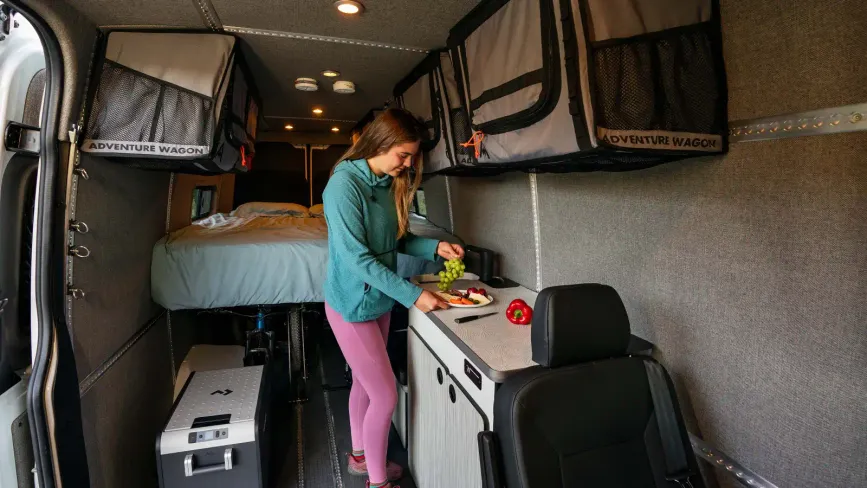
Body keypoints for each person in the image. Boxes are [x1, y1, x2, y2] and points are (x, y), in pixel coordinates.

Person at [322, 108, 464, 488]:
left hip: (379, 300)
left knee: (365, 384)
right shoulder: (343, 186)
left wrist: (436, 247)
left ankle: (360, 457)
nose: (408, 164)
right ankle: (378, 482)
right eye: (403, 155)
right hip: (352, 305)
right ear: (380, 143)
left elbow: (397, 239)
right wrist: (414, 295)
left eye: (412, 157)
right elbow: (357, 259)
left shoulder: (387, 182)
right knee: (385, 397)